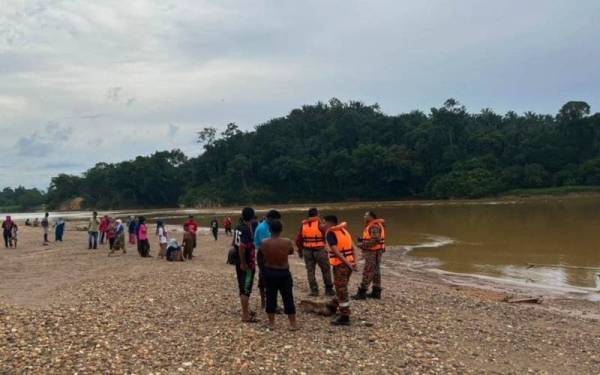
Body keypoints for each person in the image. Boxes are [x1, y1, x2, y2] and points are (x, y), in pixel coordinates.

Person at [259, 220, 298, 330]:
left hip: (270, 271)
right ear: (281, 230)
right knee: (288, 297)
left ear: (270, 230)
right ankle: (293, 323)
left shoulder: (264, 242)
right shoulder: (287, 241)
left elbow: (262, 254)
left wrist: (262, 270)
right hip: (283, 272)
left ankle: (271, 323)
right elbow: (290, 252)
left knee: (270, 297)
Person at [323, 215, 359, 326]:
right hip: (349, 264)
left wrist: (348, 264)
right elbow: (354, 248)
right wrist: (354, 263)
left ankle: (345, 316)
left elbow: (336, 252)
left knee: (341, 289)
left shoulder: (330, 233)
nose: (322, 225)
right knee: (341, 285)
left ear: (330, 223)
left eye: (324, 223)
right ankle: (333, 305)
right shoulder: (344, 230)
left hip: (341, 265)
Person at [296, 208, 335, 297]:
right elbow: (328, 235)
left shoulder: (303, 225)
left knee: (310, 271)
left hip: (307, 251)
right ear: (317, 214)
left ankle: (314, 290)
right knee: (326, 270)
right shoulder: (320, 224)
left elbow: (298, 239)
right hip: (319, 250)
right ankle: (329, 290)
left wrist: (300, 251)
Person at [353, 211, 386, 300]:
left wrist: (361, 245)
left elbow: (375, 240)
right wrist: (362, 239)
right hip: (377, 251)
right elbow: (374, 239)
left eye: (366, 215)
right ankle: (376, 292)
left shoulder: (374, 226)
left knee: (368, 271)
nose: (364, 216)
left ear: (371, 217)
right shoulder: (375, 225)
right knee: (376, 271)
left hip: (372, 252)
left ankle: (362, 293)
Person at [233, 207, 258, 323]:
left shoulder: (238, 227)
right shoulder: (247, 230)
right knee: (246, 288)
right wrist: (244, 263)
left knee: (242, 286)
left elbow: (235, 243)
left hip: (239, 261)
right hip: (246, 263)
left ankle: (246, 310)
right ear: (252, 216)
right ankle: (245, 315)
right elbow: (242, 246)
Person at [254, 210, 282, 310]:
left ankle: (267, 303)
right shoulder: (263, 228)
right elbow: (265, 245)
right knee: (266, 279)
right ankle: (267, 303)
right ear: (271, 218)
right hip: (264, 255)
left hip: (267, 253)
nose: (277, 222)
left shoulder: (266, 226)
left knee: (267, 279)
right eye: (277, 220)